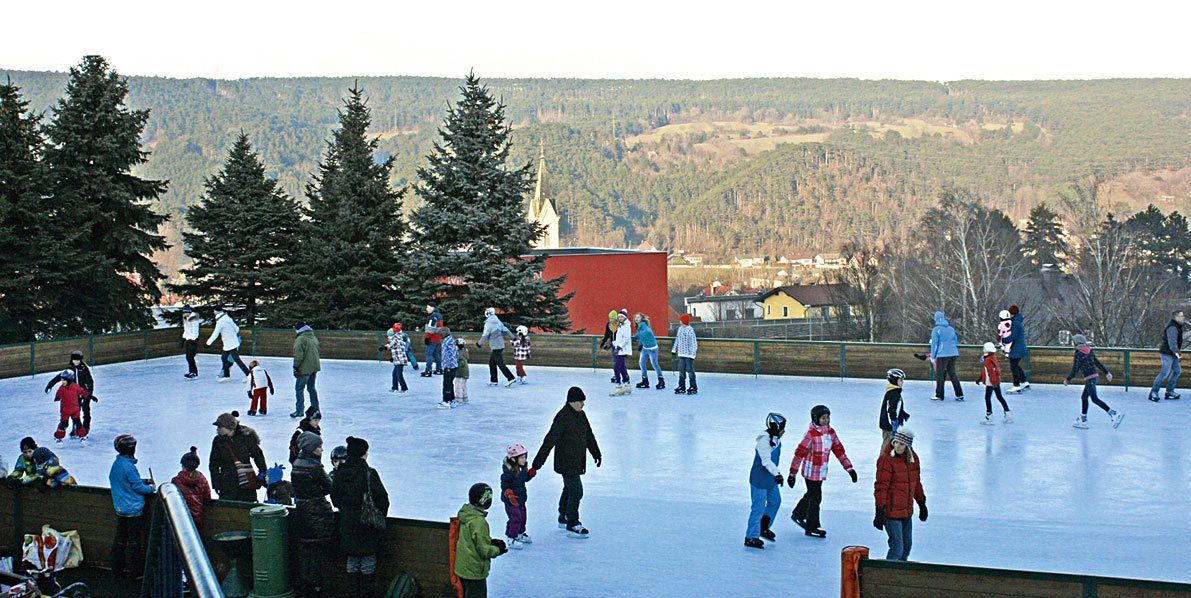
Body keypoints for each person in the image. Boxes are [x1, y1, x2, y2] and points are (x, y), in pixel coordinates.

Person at [531, 387, 601, 538]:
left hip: (577, 460)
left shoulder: (581, 415)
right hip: (566, 461)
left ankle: (563, 516)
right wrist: (538, 462)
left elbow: (589, 435)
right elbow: (550, 440)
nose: (583, 404)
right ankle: (572, 523)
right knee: (576, 491)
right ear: (572, 402)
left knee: (569, 489)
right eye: (580, 401)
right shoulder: (563, 417)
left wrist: (596, 452)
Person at [330, 436, 389, 596]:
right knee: (367, 560)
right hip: (367, 523)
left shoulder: (340, 473)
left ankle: (352, 593)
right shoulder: (369, 473)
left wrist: (346, 511)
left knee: (352, 560)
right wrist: (378, 516)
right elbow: (383, 500)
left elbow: (335, 498)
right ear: (363, 454)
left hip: (347, 523)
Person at [787, 405, 857, 538]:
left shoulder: (831, 433)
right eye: (823, 418)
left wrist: (849, 468)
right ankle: (812, 526)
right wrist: (792, 474)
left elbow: (839, 451)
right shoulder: (811, 434)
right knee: (816, 497)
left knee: (812, 494)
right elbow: (799, 454)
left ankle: (798, 513)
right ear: (815, 419)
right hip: (810, 472)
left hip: (820, 472)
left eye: (828, 417)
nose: (826, 420)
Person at [873, 428, 927, 561]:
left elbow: (916, 483)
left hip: (906, 512)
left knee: (906, 547)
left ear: (908, 446)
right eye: (895, 442)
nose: (897, 446)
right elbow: (881, 487)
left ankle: (899, 578)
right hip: (891, 513)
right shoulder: (886, 460)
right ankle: (887, 577)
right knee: (897, 548)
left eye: (901, 444)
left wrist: (922, 503)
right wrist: (879, 510)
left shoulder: (913, 460)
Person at [291, 431, 334, 596]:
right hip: (317, 513)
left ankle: (305, 587)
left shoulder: (297, 463)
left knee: (306, 551)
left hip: (302, 512)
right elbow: (329, 486)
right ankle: (315, 588)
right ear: (311, 448)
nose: (322, 450)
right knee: (316, 551)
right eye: (319, 447)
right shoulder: (314, 466)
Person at [109, 435, 155, 578]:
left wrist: (144, 481)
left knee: (120, 538)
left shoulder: (118, 464)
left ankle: (117, 568)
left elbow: (128, 481)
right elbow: (137, 487)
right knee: (135, 540)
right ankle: (137, 570)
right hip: (133, 509)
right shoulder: (129, 467)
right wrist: (151, 488)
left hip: (120, 508)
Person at [455, 483, 508, 598]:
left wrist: (490, 541)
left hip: (463, 568)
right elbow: (484, 551)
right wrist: (498, 549)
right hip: (474, 572)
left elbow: (471, 539)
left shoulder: (467, 515)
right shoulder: (479, 521)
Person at [745, 413, 786, 549]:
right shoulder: (763, 442)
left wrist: (775, 475)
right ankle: (751, 536)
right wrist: (778, 474)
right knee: (758, 507)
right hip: (760, 479)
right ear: (775, 427)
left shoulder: (776, 439)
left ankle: (763, 527)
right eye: (782, 428)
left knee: (775, 501)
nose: (783, 432)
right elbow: (766, 461)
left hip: (770, 478)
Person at [1065, 334, 1124, 429]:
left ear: (1076, 342)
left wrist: (1068, 379)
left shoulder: (1078, 353)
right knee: (1084, 397)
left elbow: (1075, 368)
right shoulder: (1089, 350)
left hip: (1090, 378)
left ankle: (1114, 414)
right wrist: (1107, 372)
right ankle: (1083, 420)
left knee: (1094, 399)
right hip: (1094, 377)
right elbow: (1097, 363)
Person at [208, 411, 267, 502]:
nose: (218, 429)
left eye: (220, 426)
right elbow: (213, 464)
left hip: (246, 482)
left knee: (248, 507)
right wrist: (216, 483)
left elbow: (258, 455)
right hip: (227, 483)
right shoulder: (218, 441)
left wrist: (262, 473)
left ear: (229, 427)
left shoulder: (246, 436)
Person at [45, 350, 96, 431]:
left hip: (84, 393)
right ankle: (76, 428)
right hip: (74, 395)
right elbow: (60, 376)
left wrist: (89, 393)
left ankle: (86, 427)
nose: (76, 362)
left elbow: (90, 381)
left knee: (86, 411)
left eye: (78, 360)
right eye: (74, 360)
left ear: (80, 360)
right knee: (75, 412)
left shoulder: (84, 368)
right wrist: (50, 384)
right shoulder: (70, 369)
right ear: (72, 360)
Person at [501, 443, 537, 549]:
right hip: (511, 500)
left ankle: (520, 533)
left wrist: (530, 474)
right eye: (522, 457)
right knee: (515, 518)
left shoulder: (521, 469)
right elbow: (504, 484)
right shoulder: (509, 472)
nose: (524, 459)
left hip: (520, 498)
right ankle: (511, 538)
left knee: (523, 517)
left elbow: (524, 479)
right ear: (514, 459)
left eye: (525, 457)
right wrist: (508, 493)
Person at [171, 447, 212, 530]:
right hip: (198, 518)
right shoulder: (202, 478)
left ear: (183, 465)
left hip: (182, 519)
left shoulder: (176, 480)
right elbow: (207, 497)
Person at [929, 311, 964, 401]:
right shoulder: (951, 329)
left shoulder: (936, 330)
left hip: (942, 354)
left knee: (940, 375)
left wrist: (933, 356)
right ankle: (959, 394)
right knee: (952, 374)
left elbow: (935, 344)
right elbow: (955, 340)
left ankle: (939, 395)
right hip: (953, 353)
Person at [1150, 310, 1184, 402]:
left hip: (1173, 353)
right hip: (1167, 353)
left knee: (1177, 371)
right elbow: (1172, 343)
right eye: (1181, 316)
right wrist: (1178, 354)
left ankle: (1169, 391)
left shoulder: (1178, 326)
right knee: (1164, 373)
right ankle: (1154, 392)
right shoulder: (1172, 327)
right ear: (1176, 317)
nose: (1183, 317)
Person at [207, 307, 249, 381]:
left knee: (236, 359)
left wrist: (208, 343)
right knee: (224, 358)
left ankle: (248, 374)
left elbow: (215, 333)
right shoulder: (228, 319)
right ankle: (226, 376)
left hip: (230, 344)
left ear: (216, 312)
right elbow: (237, 329)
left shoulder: (220, 322)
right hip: (230, 343)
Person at [478, 307, 516, 387]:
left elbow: (485, 336)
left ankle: (510, 378)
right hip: (500, 345)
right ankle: (494, 380)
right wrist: (513, 337)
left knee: (500, 363)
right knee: (492, 363)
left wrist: (479, 343)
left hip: (496, 347)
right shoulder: (498, 322)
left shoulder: (488, 324)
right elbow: (506, 330)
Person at [977, 342, 1013, 425]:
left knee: (987, 398)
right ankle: (1007, 413)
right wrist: (979, 378)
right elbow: (986, 371)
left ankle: (989, 416)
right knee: (999, 396)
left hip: (991, 382)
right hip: (995, 381)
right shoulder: (992, 357)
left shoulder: (988, 359)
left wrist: (993, 382)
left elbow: (991, 371)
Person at [51, 370, 91, 444]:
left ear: (69, 380)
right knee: (64, 424)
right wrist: (57, 397)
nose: (62, 382)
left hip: (75, 410)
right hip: (65, 410)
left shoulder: (75, 386)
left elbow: (82, 391)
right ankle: (58, 437)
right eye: (62, 380)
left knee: (78, 423)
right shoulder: (62, 388)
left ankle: (82, 436)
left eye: (64, 380)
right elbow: (58, 393)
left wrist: (90, 396)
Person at [292, 321, 321, 418]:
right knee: (311, 388)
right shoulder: (313, 337)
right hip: (314, 367)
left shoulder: (300, 339)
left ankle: (299, 411)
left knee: (299, 389)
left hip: (304, 368)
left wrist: (296, 367)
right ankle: (316, 409)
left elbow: (298, 355)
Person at [633, 312, 665, 390]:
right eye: (635, 317)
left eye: (638, 317)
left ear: (642, 319)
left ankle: (661, 381)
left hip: (652, 348)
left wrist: (637, 337)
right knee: (641, 363)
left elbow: (647, 332)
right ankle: (645, 380)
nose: (636, 318)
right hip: (645, 348)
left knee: (654, 364)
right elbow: (639, 337)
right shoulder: (639, 327)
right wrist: (640, 343)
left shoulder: (644, 327)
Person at [878, 368, 909, 445]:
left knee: (891, 444)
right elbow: (890, 409)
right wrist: (893, 423)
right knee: (889, 445)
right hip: (889, 426)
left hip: (888, 424)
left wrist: (903, 414)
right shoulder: (894, 393)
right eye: (900, 380)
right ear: (894, 381)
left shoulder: (893, 392)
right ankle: (883, 457)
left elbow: (896, 407)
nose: (903, 382)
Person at [1005, 305, 1030, 393]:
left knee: (1013, 366)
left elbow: (1013, 336)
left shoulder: (1015, 323)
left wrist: (1004, 340)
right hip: (1020, 347)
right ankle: (1024, 381)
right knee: (1016, 365)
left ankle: (1016, 385)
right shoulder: (1017, 321)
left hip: (1017, 348)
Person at [672, 314, 699, 395]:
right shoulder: (680, 329)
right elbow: (677, 340)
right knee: (681, 370)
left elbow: (693, 343)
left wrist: (692, 354)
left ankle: (693, 386)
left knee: (690, 371)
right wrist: (674, 349)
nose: (679, 321)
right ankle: (681, 386)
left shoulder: (690, 330)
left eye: (681, 320)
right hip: (681, 354)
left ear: (684, 321)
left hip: (689, 355)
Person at [610, 309, 633, 396]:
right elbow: (619, 339)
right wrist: (611, 344)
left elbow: (626, 339)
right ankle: (627, 385)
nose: (620, 318)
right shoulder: (621, 326)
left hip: (623, 350)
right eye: (619, 317)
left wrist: (618, 348)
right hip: (620, 350)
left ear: (625, 317)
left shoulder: (627, 326)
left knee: (616, 367)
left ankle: (618, 386)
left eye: (621, 317)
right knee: (622, 368)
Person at [384, 323, 411, 393]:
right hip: (398, 359)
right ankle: (395, 387)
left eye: (388, 335)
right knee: (394, 374)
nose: (388, 337)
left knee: (399, 375)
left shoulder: (395, 339)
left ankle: (404, 388)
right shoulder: (397, 338)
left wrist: (384, 347)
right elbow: (397, 350)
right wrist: (393, 358)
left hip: (400, 360)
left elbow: (391, 345)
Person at [439, 327, 460, 409]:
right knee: (450, 383)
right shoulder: (451, 341)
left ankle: (447, 401)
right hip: (453, 366)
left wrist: (447, 366)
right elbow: (456, 354)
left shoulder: (446, 342)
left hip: (449, 366)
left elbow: (447, 356)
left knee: (447, 384)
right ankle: (451, 399)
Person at [422, 304, 444, 377]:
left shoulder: (433, 317)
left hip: (432, 338)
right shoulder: (439, 315)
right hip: (438, 338)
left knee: (429, 354)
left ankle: (428, 370)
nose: (426, 309)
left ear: (432, 308)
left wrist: (427, 338)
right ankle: (439, 369)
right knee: (436, 354)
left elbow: (431, 329)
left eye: (428, 307)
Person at [182, 305, 201, 379]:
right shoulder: (186, 318)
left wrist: (193, 339)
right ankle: (191, 371)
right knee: (188, 357)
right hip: (188, 339)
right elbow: (186, 329)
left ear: (188, 312)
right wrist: (183, 338)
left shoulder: (194, 318)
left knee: (190, 357)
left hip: (193, 340)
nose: (184, 314)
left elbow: (195, 330)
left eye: (185, 313)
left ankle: (194, 373)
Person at [455, 337, 471, 404]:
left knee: (458, 386)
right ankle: (465, 398)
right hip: (465, 372)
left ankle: (459, 399)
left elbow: (460, 364)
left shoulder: (459, 354)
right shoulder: (464, 352)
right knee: (463, 385)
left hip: (460, 373)